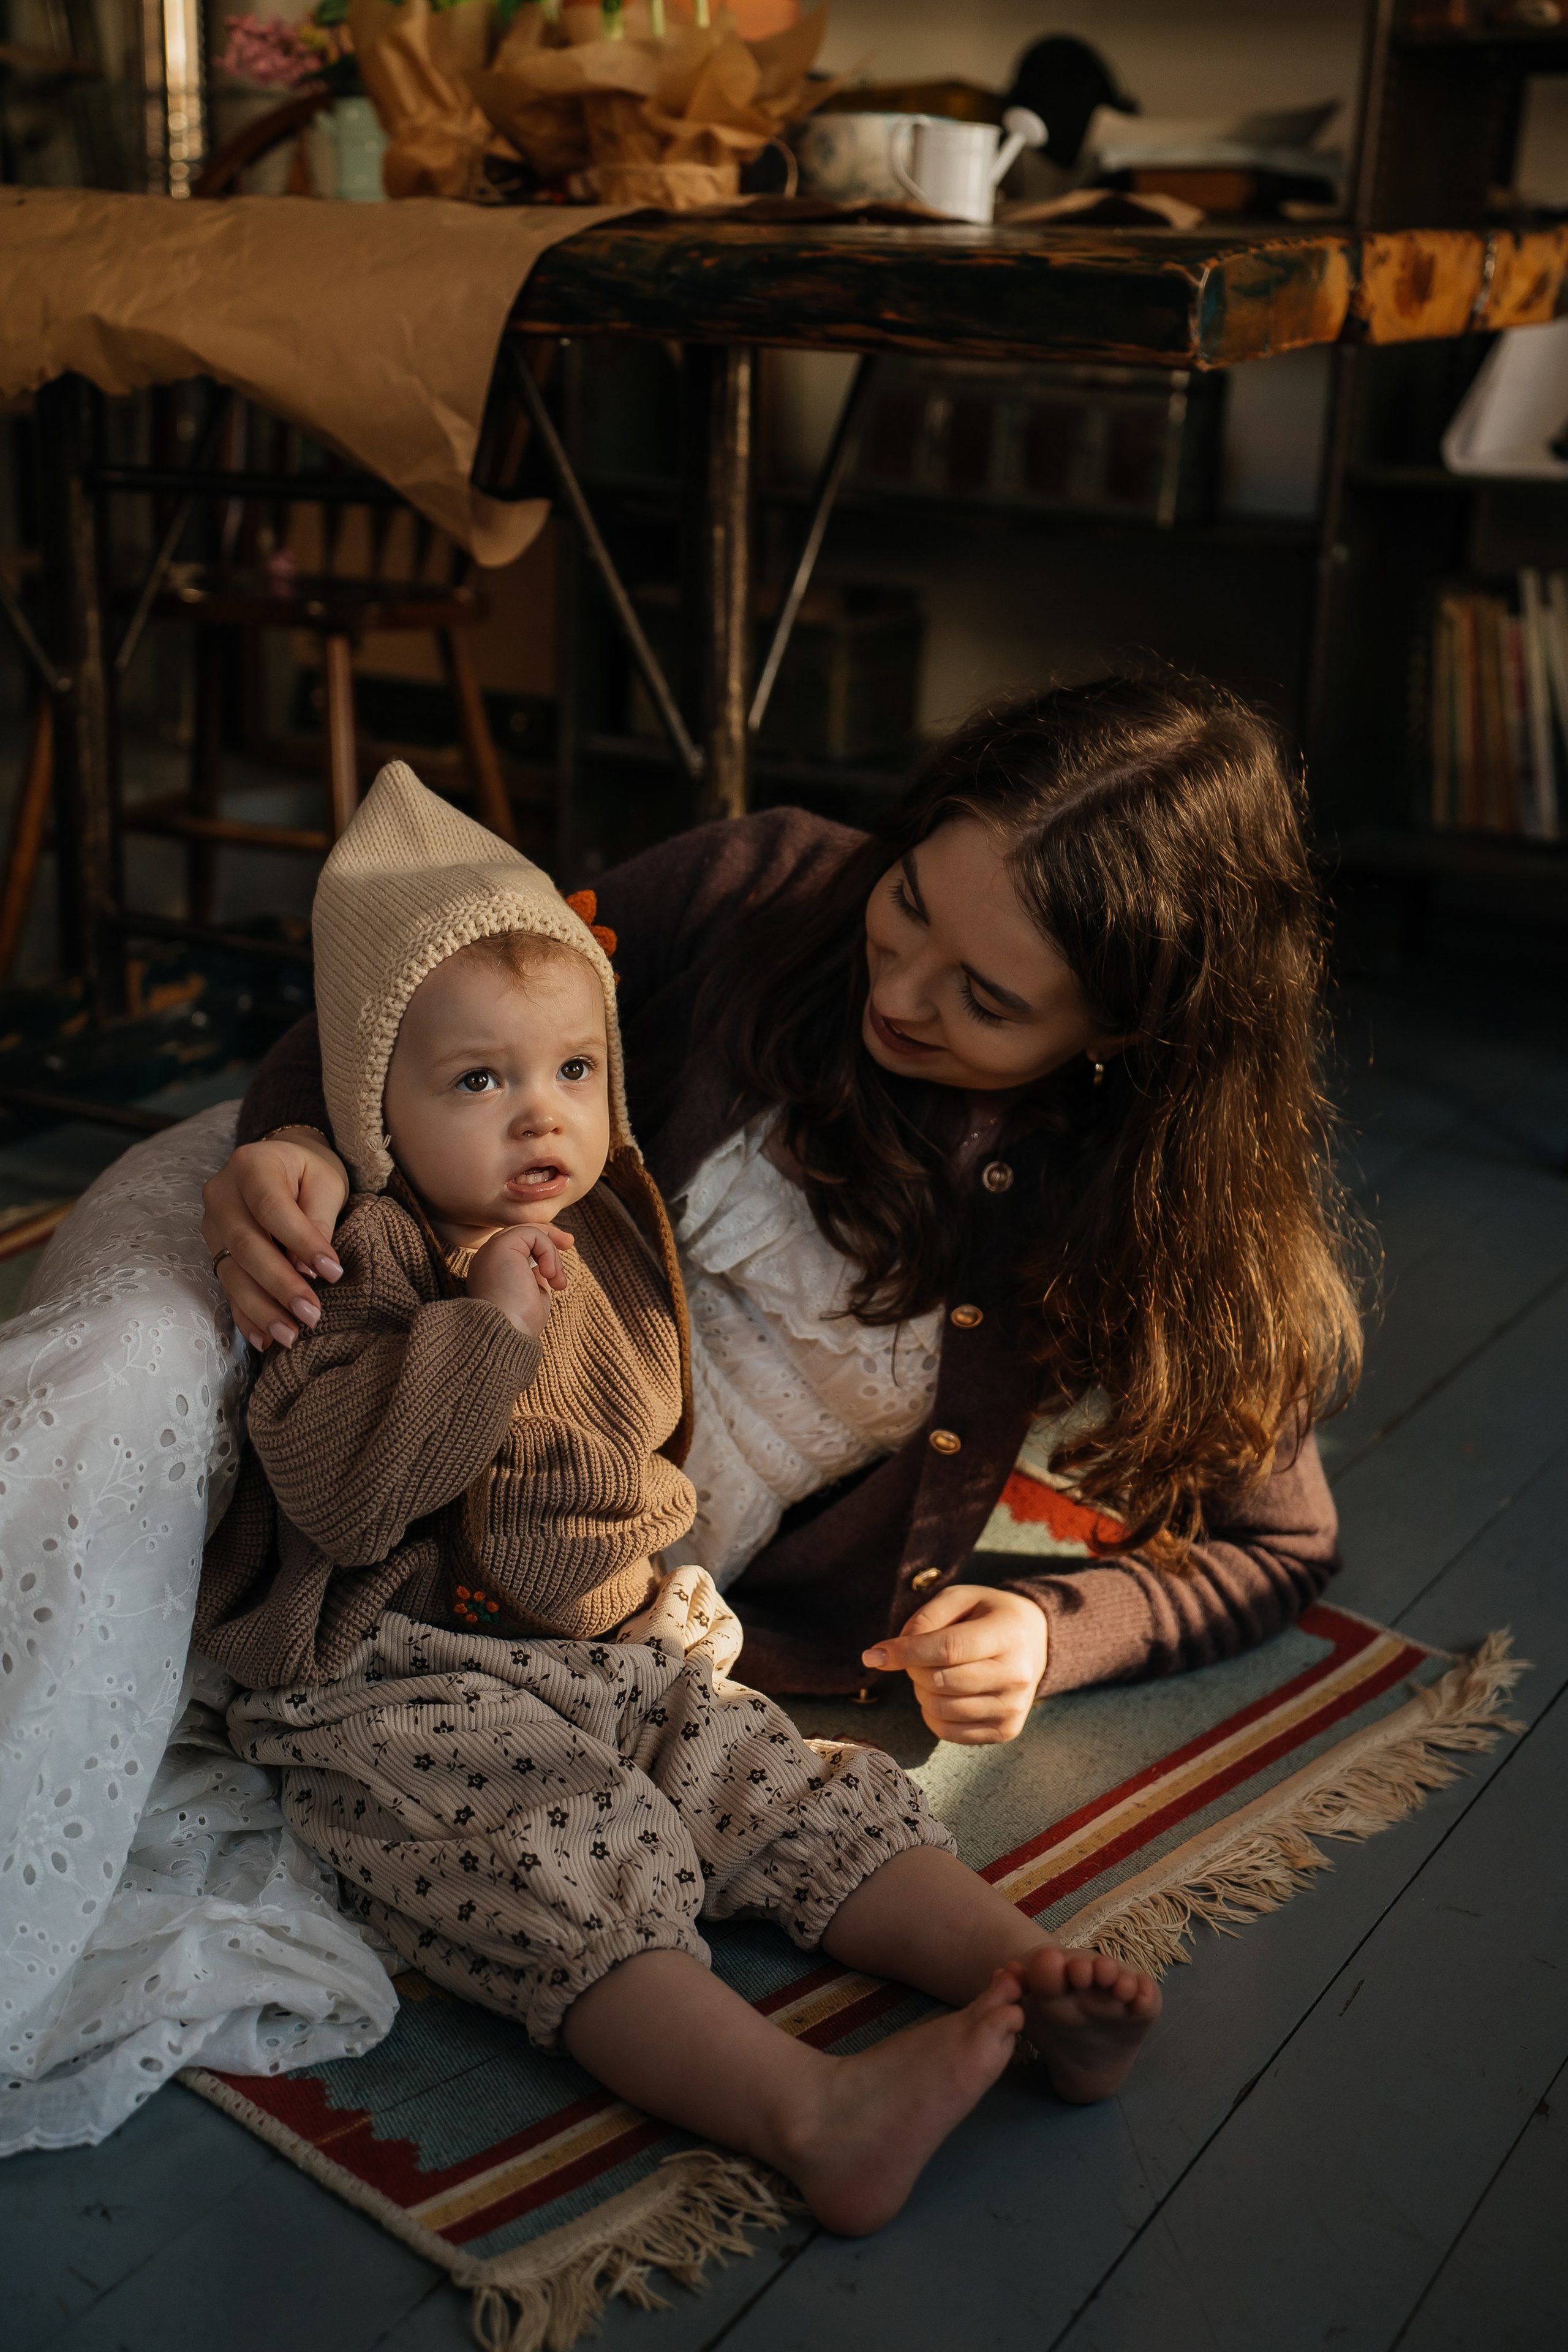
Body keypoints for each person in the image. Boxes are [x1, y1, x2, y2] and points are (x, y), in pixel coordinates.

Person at [196, 763, 1160, 2234]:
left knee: (778, 1782)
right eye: (479, 1082)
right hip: (393, 1667)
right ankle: (811, 2111)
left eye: (573, 1073)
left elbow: (630, 1458)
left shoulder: (611, 1222)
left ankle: (1016, 1968)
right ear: (367, 1094)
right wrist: (481, 1337)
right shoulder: (369, 1257)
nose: (540, 1120)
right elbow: (340, 1495)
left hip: (606, 1641)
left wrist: (660, 1604)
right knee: (556, 1854)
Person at [202, 676, 1360, 1746]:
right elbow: (420, 982)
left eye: (989, 1001)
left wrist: (1054, 1633)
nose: (898, 993)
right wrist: (296, 1132)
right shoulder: (757, 887)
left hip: (660, 1645)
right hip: (386, 1523)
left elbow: (1284, 1544)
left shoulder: (1147, 1207)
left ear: (1122, 1037)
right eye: (906, 902)